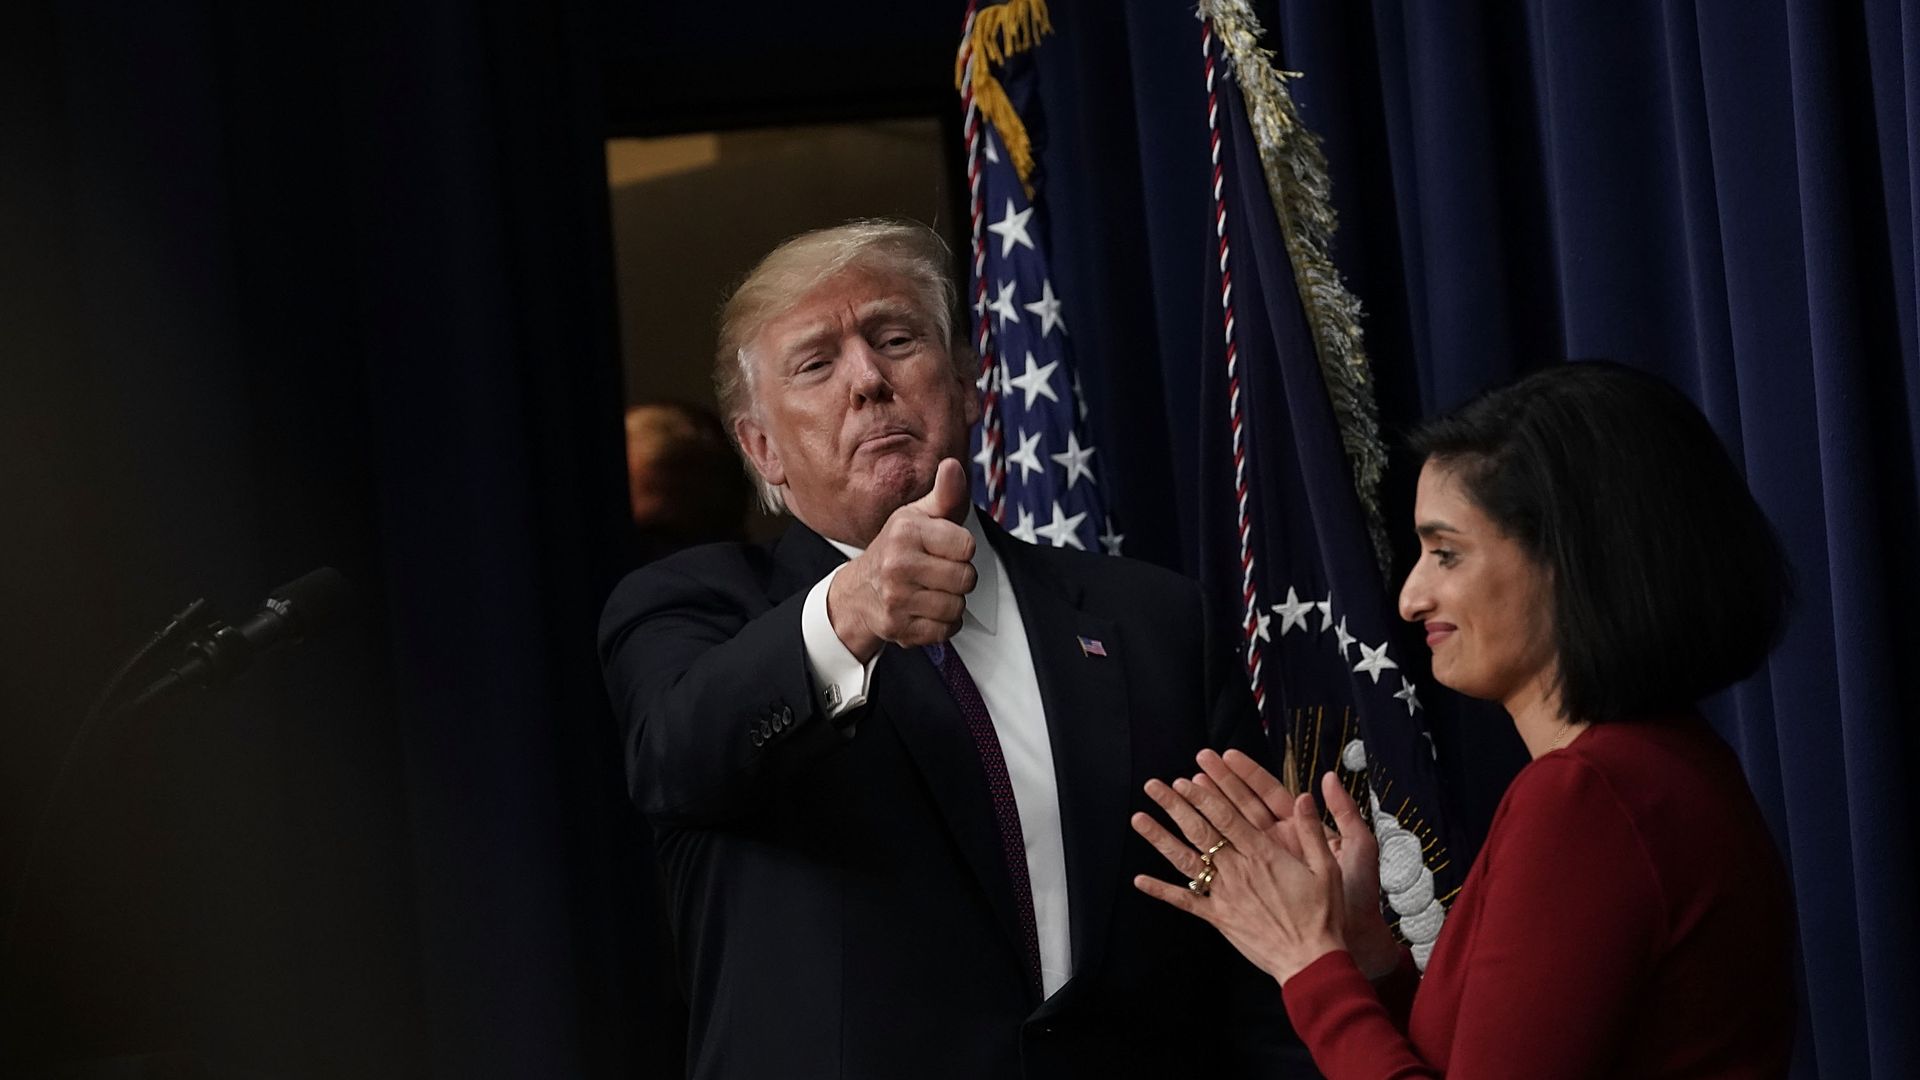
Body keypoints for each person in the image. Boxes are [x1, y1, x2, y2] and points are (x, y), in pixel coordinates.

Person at [598, 220, 1305, 1078]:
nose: (868, 381)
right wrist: (852, 611)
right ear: (761, 449)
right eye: (817, 364)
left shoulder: (1153, 624)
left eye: (896, 339)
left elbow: (1259, 943)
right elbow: (677, 756)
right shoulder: (696, 609)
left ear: (969, 384)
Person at [1131, 361, 1796, 1077]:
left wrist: (1307, 961)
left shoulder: (1587, 799)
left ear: (1572, 560)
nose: (1411, 597)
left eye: (1446, 553)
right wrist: (1366, 959)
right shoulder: (1661, 765)